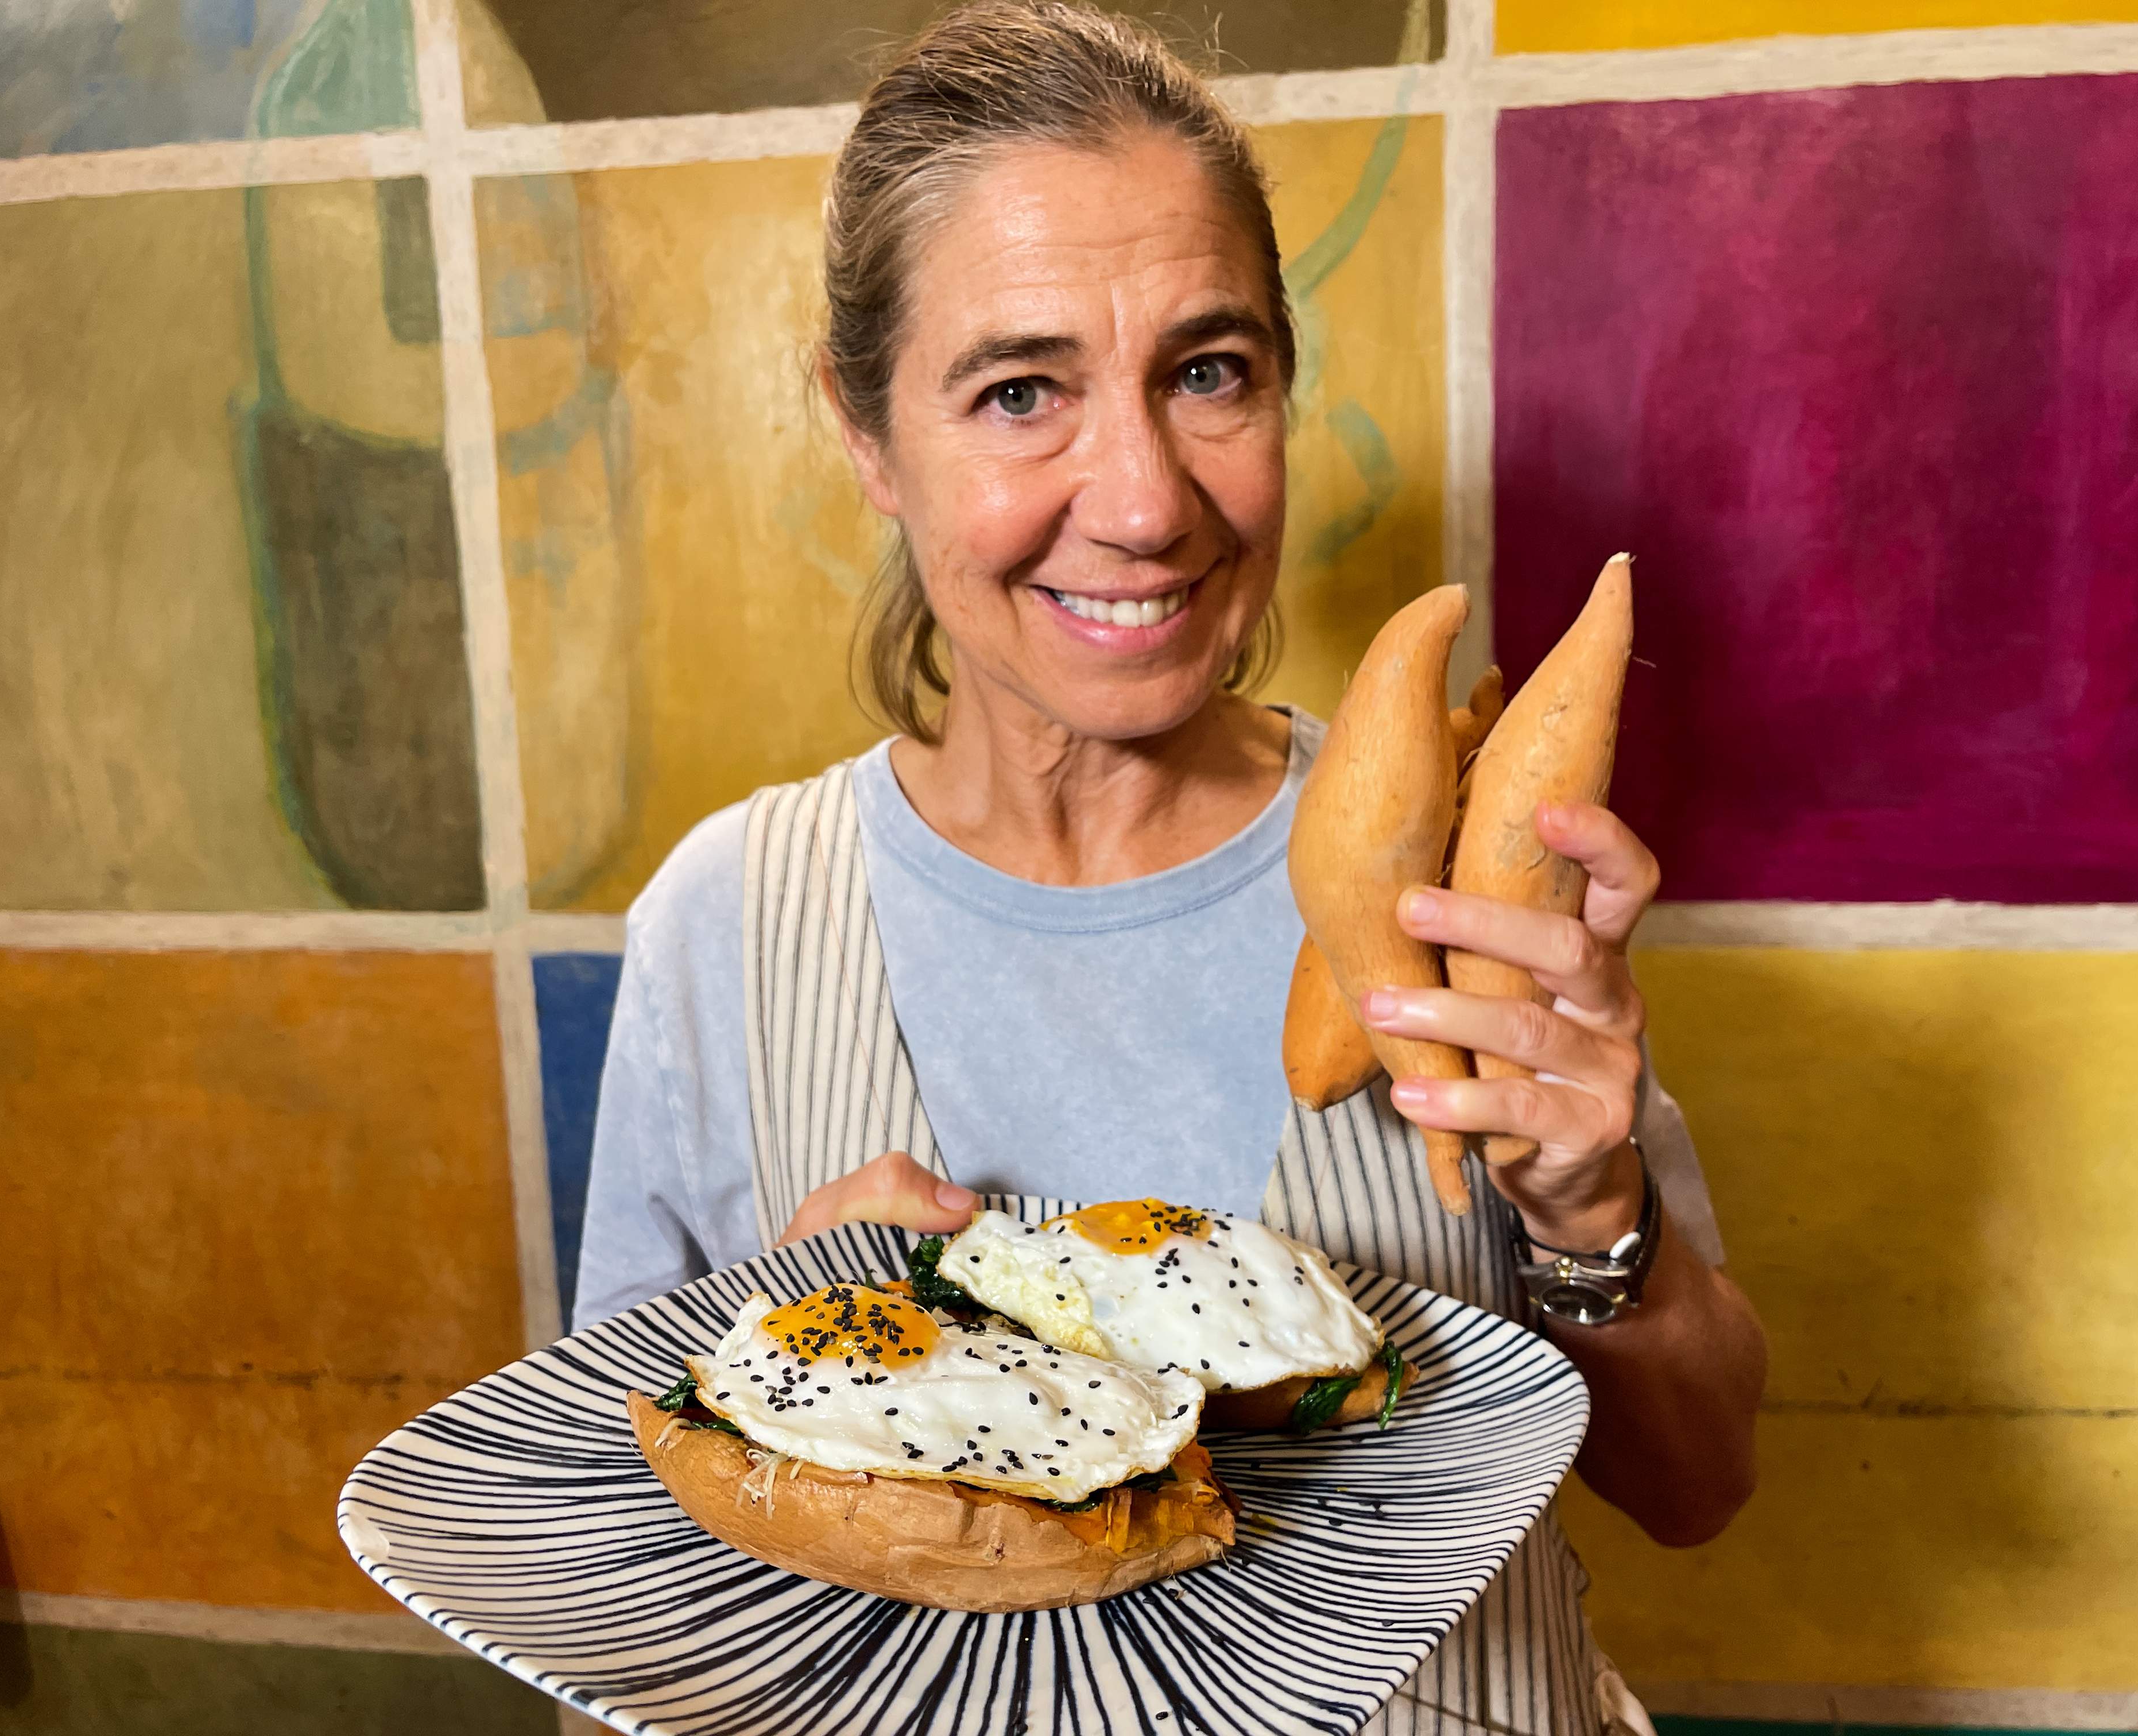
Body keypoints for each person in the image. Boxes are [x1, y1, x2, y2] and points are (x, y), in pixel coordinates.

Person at [573, 4, 1766, 1730]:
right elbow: (613, 1557)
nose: (1141, 500)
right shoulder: (732, 919)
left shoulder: (1446, 863)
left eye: (1209, 372)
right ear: (864, 432)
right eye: (1019, 392)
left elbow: (1697, 1486)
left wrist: (1595, 1221)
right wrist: (776, 1349)